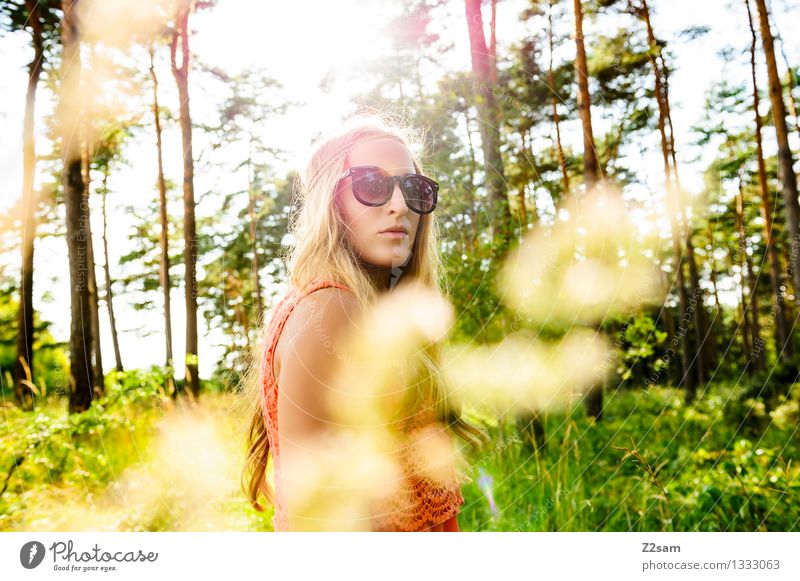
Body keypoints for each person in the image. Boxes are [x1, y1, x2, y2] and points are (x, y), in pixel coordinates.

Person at [241, 114, 488, 531]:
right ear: (329, 202)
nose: (399, 205)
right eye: (371, 184)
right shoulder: (332, 311)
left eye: (413, 188)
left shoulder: (356, 312)